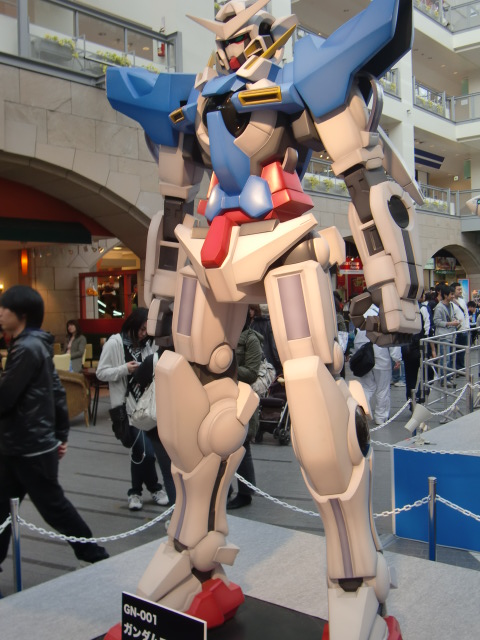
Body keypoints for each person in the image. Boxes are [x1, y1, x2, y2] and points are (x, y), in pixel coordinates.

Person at [0, 285, 109, 567]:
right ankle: (93, 554)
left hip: (28, 446)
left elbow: (6, 398)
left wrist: (58, 436)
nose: (0, 313)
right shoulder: (35, 345)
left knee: (53, 507)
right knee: (9, 510)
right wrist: (60, 435)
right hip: (23, 445)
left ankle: (95, 555)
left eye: (4, 308)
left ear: (21, 314)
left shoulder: (26, 348)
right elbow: (57, 392)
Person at [96, 307, 172, 510]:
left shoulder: (148, 344)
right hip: (127, 409)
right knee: (146, 451)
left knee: (140, 453)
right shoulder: (115, 343)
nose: (143, 334)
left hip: (147, 406)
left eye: (147, 330)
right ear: (132, 324)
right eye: (141, 329)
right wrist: (124, 369)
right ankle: (154, 488)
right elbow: (101, 373)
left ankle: (136, 492)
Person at [227, 320, 263, 509]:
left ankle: (245, 492)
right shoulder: (223, 335)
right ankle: (225, 489)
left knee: (242, 445)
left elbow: (251, 373)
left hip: (241, 398)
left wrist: (228, 367)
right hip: (222, 396)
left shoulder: (251, 340)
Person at [352, 303, 402, 425]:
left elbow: (357, 340)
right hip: (382, 356)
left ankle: (362, 413)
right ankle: (381, 417)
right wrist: (397, 358)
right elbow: (392, 338)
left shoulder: (362, 316)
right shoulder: (385, 315)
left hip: (365, 358)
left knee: (366, 388)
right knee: (383, 388)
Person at [433, 284, 460, 386]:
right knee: (445, 359)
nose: (453, 296)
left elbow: (452, 316)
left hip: (451, 335)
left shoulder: (451, 305)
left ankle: (448, 378)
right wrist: (450, 323)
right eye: (451, 294)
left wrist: (455, 321)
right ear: (445, 295)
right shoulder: (439, 307)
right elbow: (436, 321)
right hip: (443, 336)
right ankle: (444, 380)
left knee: (450, 358)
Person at [247, 304, 282, 375]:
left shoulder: (261, 323)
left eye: (252, 309)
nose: (250, 311)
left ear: (256, 310)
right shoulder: (248, 324)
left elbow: (273, 345)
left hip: (264, 360)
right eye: (249, 309)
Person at [451, 282, 469, 374]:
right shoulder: (451, 302)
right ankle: (455, 369)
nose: (460, 291)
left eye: (461, 289)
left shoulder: (462, 301)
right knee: (455, 351)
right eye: (458, 289)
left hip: (464, 330)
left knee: (462, 351)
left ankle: (461, 368)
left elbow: (466, 314)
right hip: (455, 331)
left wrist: (467, 327)